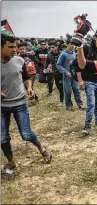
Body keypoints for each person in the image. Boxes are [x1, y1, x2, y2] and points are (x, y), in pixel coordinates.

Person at [1, 34, 52, 172]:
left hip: (20, 104)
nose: (15, 49)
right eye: (10, 47)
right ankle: (11, 162)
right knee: (2, 137)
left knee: (26, 134)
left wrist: (29, 87)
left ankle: (42, 149)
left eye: (15, 46)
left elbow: (26, 76)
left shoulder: (19, 60)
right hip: (1, 107)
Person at [75, 44, 97, 135]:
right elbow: (78, 66)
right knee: (91, 104)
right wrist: (80, 80)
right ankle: (87, 126)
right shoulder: (86, 52)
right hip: (89, 82)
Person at [56, 38, 84, 111]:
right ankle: (69, 106)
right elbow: (58, 65)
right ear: (67, 44)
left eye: (74, 44)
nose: (73, 46)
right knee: (68, 91)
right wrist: (65, 72)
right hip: (66, 76)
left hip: (74, 76)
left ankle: (80, 104)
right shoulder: (63, 54)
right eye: (71, 44)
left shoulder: (74, 53)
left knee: (76, 90)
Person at [45, 40, 64, 106]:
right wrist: (46, 68)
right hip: (55, 73)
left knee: (61, 86)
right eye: (50, 47)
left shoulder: (62, 53)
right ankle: (63, 99)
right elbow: (47, 62)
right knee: (58, 86)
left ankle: (62, 101)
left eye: (53, 47)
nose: (51, 49)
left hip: (63, 73)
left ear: (56, 46)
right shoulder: (49, 54)